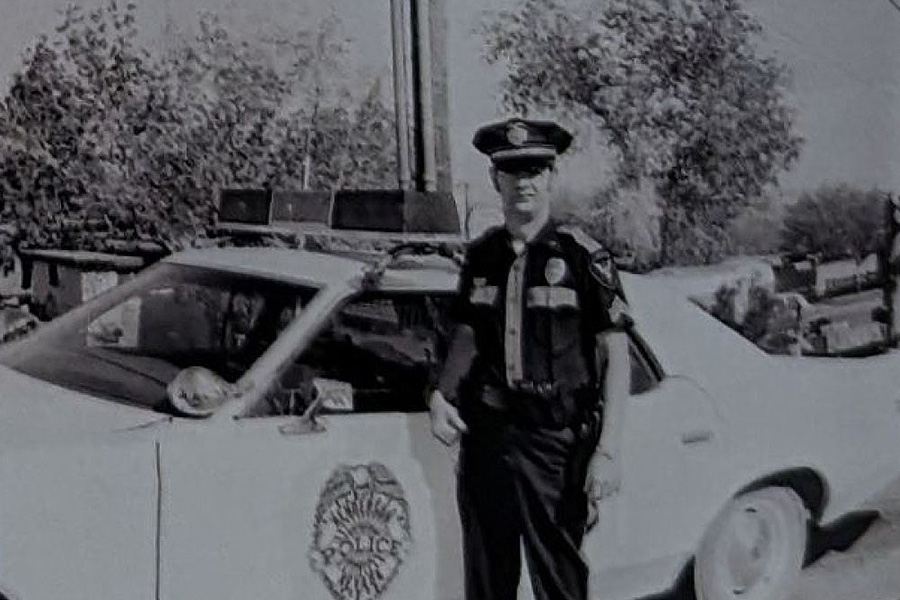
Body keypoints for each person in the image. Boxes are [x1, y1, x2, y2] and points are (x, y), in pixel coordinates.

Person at [428, 117, 632, 600]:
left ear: (550, 176)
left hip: (554, 444)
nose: (524, 182)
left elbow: (616, 356)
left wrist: (607, 452)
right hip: (487, 438)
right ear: (495, 179)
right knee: (486, 577)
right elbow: (468, 332)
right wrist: (441, 393)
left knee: (558, 581)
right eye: (513, 171)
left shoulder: (583, 257)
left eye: (535, 170)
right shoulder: (481, 257)